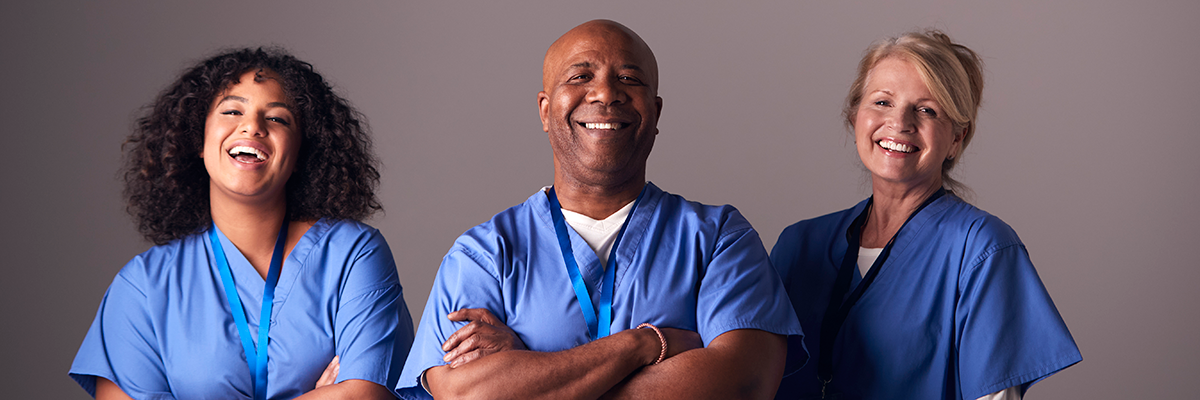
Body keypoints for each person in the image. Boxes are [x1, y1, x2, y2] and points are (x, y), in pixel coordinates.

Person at [395, 20, 804, 400]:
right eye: (581, 77)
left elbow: (744, 382)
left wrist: (531, 374)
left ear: (656, 113)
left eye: (629, 78)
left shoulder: (718, 238)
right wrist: (644, 344)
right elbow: (466, 393)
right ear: (544, 110)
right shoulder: (484, 255)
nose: (606, 93)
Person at [69, 48, 413, 400]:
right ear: (198, 141)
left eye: (278, 118)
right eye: (232, 111)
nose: (252, 126)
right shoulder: (141, 287)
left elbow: (364, 395)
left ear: (299, 155)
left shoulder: (353, 254)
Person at [771, 30, 1081, 400]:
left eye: (927, 110)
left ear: (956, 139)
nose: (900, 123)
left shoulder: (981, 249)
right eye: (883, 102)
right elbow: (745, 372)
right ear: (855, 116)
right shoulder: (799, 245)